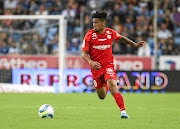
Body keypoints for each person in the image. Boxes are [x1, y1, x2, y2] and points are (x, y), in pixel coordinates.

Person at [81, 11, 146, 119]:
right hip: (96, 68)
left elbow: (122, 38)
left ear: (103, 23)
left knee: (112, 86)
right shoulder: (89, 35)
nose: (94, 25)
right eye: (93, 22)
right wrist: (91, 62)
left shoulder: (110, 33)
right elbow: (84, 54)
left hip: (108, 66)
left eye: (96, 22)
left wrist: (134, 44)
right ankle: (106, 84)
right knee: (102, 96)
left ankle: (123, 111)